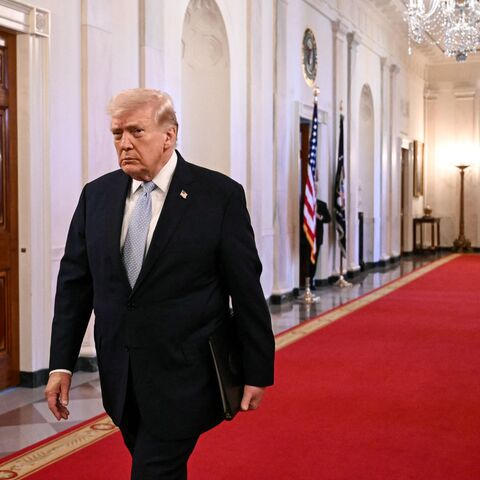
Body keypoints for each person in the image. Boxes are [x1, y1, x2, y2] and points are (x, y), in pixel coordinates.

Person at [45, 88, 275, 479]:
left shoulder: (218, 197)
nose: (124, 143)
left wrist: (257, 369)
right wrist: (60, 366)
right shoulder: (96, 197)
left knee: (153, 470)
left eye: (136, 131)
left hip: (187, 376)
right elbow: (74, 287)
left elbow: (246, 290)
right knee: (156, 465)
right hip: (121, 376)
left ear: (169, 135)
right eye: (117, 133)